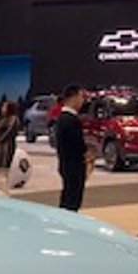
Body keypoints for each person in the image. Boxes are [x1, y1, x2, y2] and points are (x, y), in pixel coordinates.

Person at [53, 83, 91, 211]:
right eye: (81, 96)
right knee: (72, 201)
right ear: (74, 97)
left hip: (67, 165)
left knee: (68, 197)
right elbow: (76, 145)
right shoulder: (69, 120)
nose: (83, 100)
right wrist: (87, 156)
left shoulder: (64, 119)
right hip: (73, 166)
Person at [0, 99, 20, 194]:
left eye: (4, 106)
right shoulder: (3, 119)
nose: (2, 108)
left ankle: (4, 193)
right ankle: (0, 192)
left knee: (3, 172)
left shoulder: (13, 119)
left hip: (6, 148)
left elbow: (9, 133)